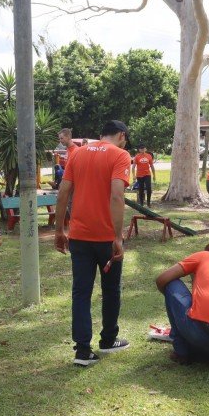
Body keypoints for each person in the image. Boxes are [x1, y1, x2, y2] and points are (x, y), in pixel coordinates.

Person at [54, 120, 131, 367]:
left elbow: (64, 192)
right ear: (121, 135)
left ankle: (83, 350)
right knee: (111, 290)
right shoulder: (120, 155)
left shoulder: (77, 154)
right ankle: (108, 339)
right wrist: (118, 237)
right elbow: (117, 195)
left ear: (100, 135)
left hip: (79, 236)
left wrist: (59, 230)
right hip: (106, 238)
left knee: (81, 292)